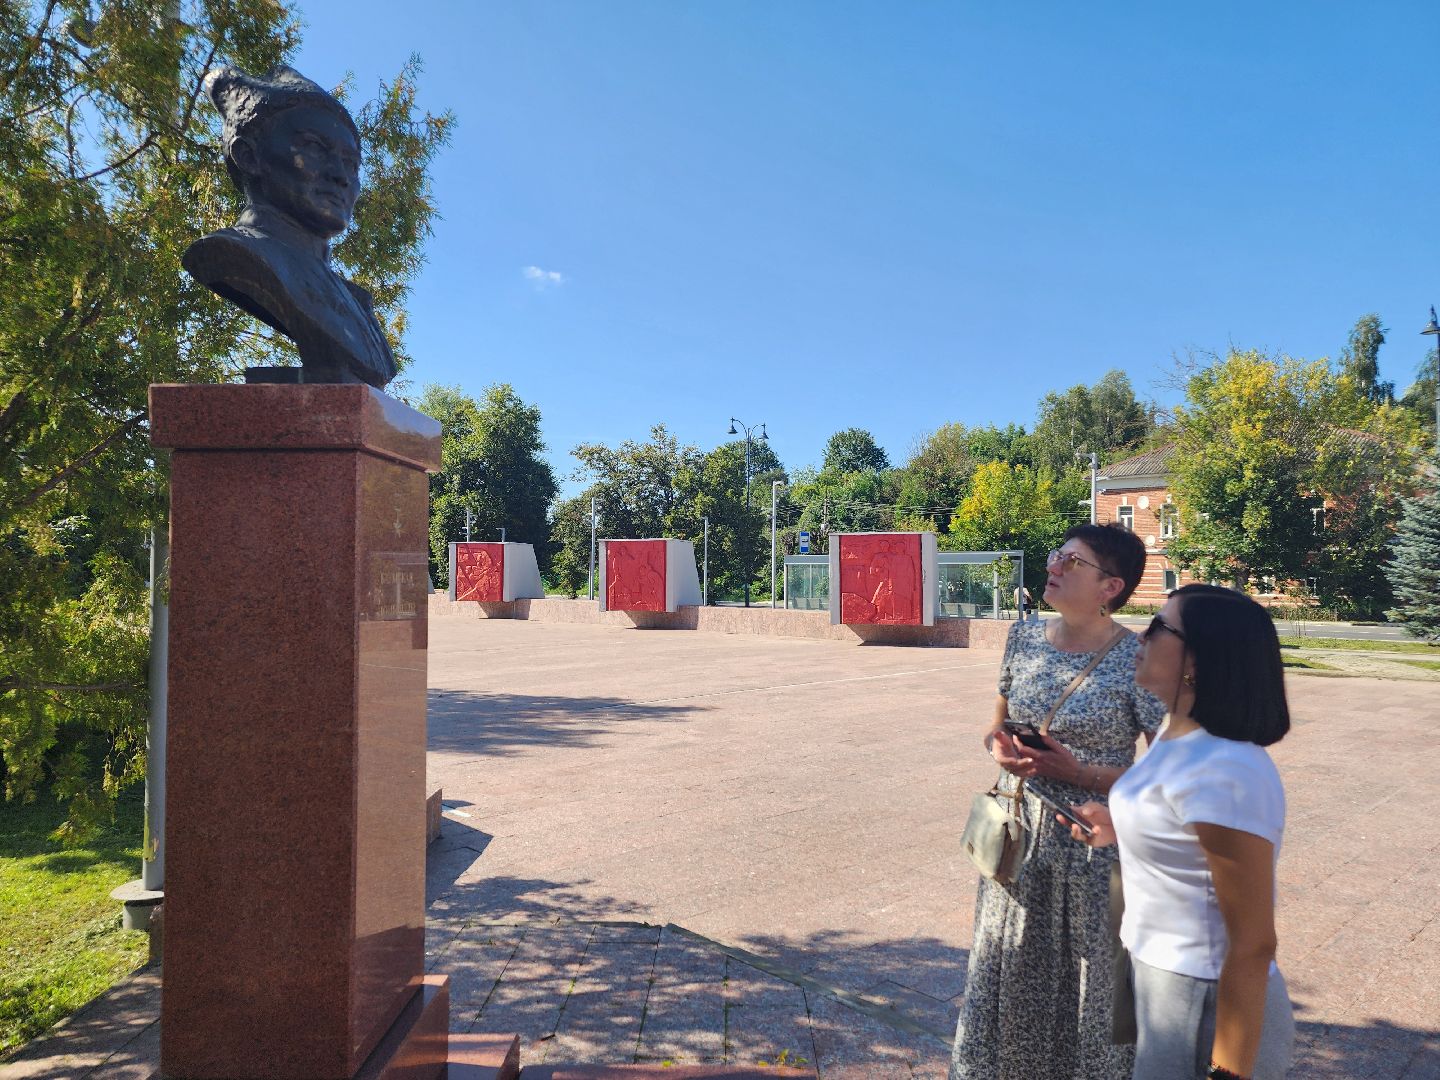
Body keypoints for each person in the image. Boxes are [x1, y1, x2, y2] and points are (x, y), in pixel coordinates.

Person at [950, 523, 1166, 1080]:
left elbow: (1168, 777)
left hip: (1093, 843)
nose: (1054, 566)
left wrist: (1080, 772)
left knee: (1096, 992)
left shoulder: (1136, 658)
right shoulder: (1022, 637)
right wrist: (1002, 750)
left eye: (1072, 561)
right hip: (1019, 836)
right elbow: (993, 727)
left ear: (1109, 587)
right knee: (1013, 967)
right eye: (1056, 555)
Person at [1062, 585, 1294, 1080]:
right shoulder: (1177, 731)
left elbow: (1253, 944)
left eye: (1161, 626)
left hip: (1203, 997)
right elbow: (1182, 830)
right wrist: (1119, 828)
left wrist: (1228, 1071)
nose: (1141, 635)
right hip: (1162, 980)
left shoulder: (1226, 770)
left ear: (1198, 660)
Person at [183, 65, 398, 389]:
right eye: (314, 148)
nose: (341, 176)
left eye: (351, 163)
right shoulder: (240, 255)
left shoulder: (357, 302)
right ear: (249, 156)